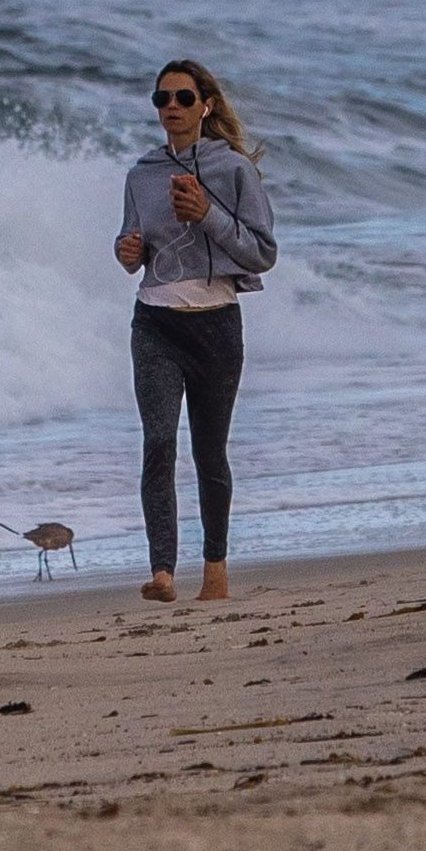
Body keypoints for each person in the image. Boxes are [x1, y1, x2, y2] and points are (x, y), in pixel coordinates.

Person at [111, 57, 280, 603]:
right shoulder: (142, 174)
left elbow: (263, 251)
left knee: (210, 452)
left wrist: (207, 212)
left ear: (206, 105)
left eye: (183, 98)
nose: (172, 109)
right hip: (155, 323)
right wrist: (126, 251)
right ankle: (162, 571)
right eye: (162, 100)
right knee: (158, 443)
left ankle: (215, 571)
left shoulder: (233, 169)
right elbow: (131, 247)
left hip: (215, 326)